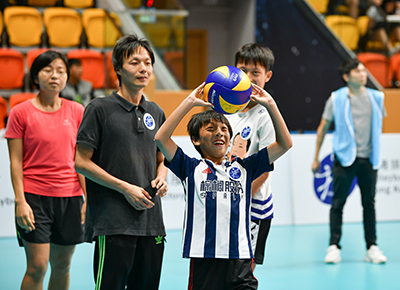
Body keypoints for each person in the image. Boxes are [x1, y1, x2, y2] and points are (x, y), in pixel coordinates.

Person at [154, 83, 292, 290]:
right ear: (195, 140)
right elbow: (160, 138)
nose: (220, 133)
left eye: (224, 129)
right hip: (205, 260)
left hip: (240, 262)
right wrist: (189, 102)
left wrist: (271, 104)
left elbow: (285, 144)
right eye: (211, 129)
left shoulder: (245, 167)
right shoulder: (190, 168)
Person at [74, 34, 168, 290]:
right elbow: (81, 162)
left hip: (151, 223)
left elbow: (162, 159)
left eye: (148, 63)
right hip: (114, 222)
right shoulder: (99, 108)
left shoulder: (156, 112)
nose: (143, 69)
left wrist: (162, 176)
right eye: (135, 62)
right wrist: (124, 187)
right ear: (118, 68)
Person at [5, 50, 86, 290]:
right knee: (37, 267)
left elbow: (81, 160)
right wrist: (20, 201)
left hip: (70, 198)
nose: (55, 76)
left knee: (62, 266)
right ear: (35, 77)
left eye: (61, 71)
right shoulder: (20, 113)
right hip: (34, 199)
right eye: (47, 70)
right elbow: (15, 161)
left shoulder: (77, 111)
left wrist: (87, 200)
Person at [312, 58, 387, 264]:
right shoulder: (336, 99)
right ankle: (334, 246)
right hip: (344, 159)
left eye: (364, 71)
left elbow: (378, 124)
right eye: (358, 71)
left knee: (369, 204)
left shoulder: (377, 98)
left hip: (369, 159)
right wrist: (316, 157)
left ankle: (372, 246)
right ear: (347, 77)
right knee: (338, 204)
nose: (363, 74)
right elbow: (323, 128)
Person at [226, 43, 276, 272]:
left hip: (253, 206)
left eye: (255, 72)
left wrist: (241, 199)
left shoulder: (266, 115)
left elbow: (265, 171)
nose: (248, 77)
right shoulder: (227, 109)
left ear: (268, 76)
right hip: (228, 201)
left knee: (244, 272)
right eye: (242, 70)